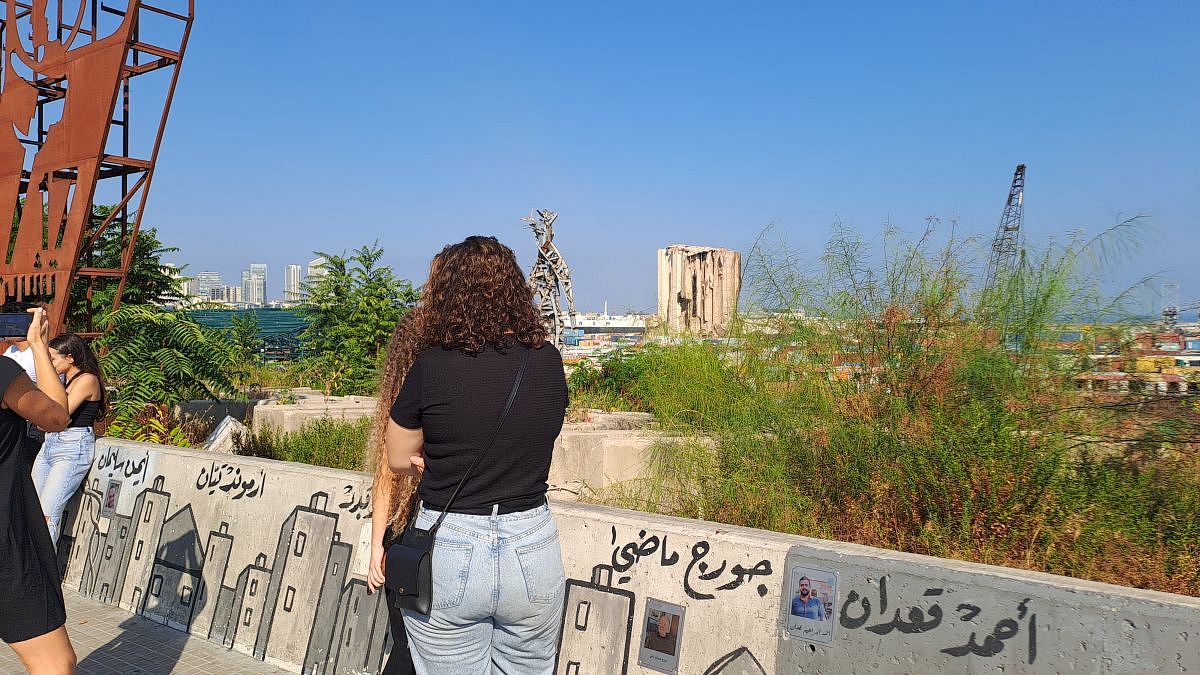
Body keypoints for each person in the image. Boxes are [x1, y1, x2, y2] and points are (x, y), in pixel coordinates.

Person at [376, 235, 569, 674]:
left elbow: (398, 459)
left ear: (447, 294)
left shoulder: (432, 365)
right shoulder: (547, 361)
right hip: (532, 542)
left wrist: (436, 458)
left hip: (452, 544)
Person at [0, 307, 76, 673]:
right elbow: (57, 416)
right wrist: (38, 346)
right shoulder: (3, 374)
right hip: (7, 542)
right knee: (55, 663)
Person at [32, 332, 105, 545]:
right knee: (32, 511)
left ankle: (45, 566)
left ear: (70, 357)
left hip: (72, 447)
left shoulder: (87, 380)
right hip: (50, 444)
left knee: (47, 515)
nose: (50, 363)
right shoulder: (64, 382)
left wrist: (45, 419)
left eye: (53, 358)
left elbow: (58, 416)